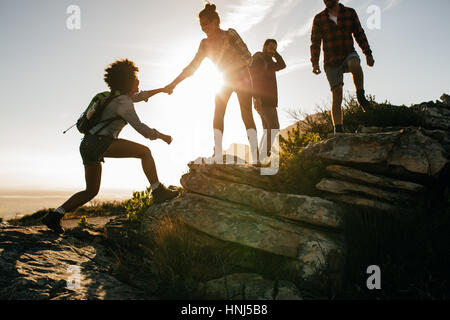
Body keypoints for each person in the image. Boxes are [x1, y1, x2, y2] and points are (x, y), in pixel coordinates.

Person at [42, 59, 179, 233]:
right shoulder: (124, 103)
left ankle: (54, 216)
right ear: (128, 82)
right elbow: (141, 128)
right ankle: (158, 191)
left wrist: (161, 90)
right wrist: (161, 136)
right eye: (136, 79)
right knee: (145, 152)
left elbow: (138, 96)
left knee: (91, 191)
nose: (139, 81)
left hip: (87, 144)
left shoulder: (113, 97)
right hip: (100, 143)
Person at [164, 3, 259, 165]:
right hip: (224, 80)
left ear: (216, 21)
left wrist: (233, 68)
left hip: (241, 77)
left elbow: (248, 56)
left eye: (206, 23)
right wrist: (173, 84)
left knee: (246, 114)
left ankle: (257, 156)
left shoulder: (230, 34)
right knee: (218, 112)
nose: (203, 27)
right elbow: (192, 67)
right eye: (201, 25)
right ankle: (217, 152)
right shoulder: (205, 44)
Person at [310, 0, 375, 133]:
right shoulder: (319, 18)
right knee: (337, 93)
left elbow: (359, 33)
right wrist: (315, 62)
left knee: (354, 64)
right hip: (331, 61)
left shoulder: (349, 13)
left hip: (348, 53)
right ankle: (338, 129)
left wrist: (367, 53)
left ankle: (360, 96)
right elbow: (315, 42)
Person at [250, 39, 286, 161]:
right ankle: (261, 155)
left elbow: (282, 65)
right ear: (264, 46)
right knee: (274, 127)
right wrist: (257, 98)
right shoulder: (258, 59)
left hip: (270, 100)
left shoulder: (270, 62)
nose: (272, 51)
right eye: (270, 48)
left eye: (274, 49)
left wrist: (275, 54)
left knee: (267, 130)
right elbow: (254, 79)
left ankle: (258, 158)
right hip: (263, 100)